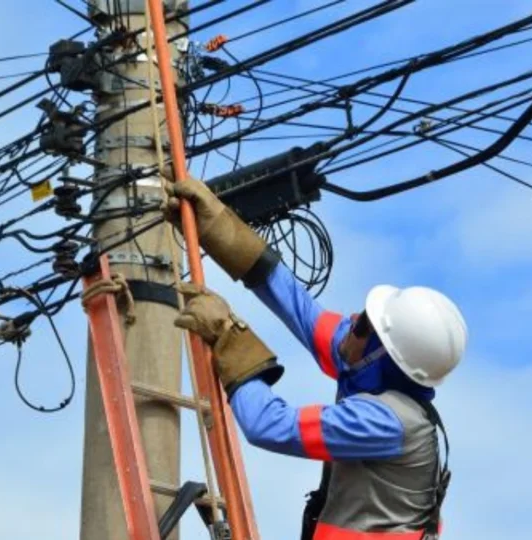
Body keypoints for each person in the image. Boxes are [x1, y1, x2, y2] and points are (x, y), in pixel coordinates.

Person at [164, 173, 468, 540]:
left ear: (383, 355)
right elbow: (299, 307)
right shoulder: (368, 367)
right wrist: (218, 226)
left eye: (365, 324)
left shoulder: (386, 422)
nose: (352, 320)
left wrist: (230, 338)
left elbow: (269, 426)